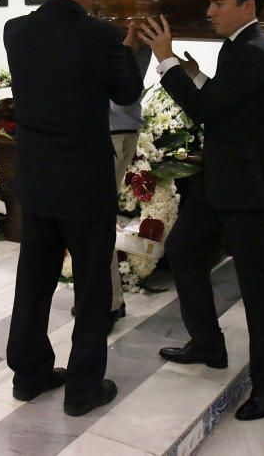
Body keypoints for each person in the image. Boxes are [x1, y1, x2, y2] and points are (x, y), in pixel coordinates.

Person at [139, 0, 264, 422]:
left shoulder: (255, 50)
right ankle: (208, 343)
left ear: (248, 6)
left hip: (246, 185)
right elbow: (226, 102)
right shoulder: (239, 47)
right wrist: (195, 74)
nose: (209, 11)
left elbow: (205, 110)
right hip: (222, 179)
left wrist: (164, 58)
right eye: (209, 2)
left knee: (255, 284)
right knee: (184, 252)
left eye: (218, 2)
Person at [4, 0, 143, 417]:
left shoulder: (16, 32)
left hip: (38, 181)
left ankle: (29, 375)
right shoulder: (101, 36)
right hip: (85, 184)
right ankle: (82, 388)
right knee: (91, 288)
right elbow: (125, 91)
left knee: (34, 280)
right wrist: (130, 47)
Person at [106, 43, 153, 328]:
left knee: (96, 220)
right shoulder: (134, 34)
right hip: (126, 126)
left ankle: (109, 302)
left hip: (108, 130)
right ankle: (112, 299)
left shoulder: (106, 35)